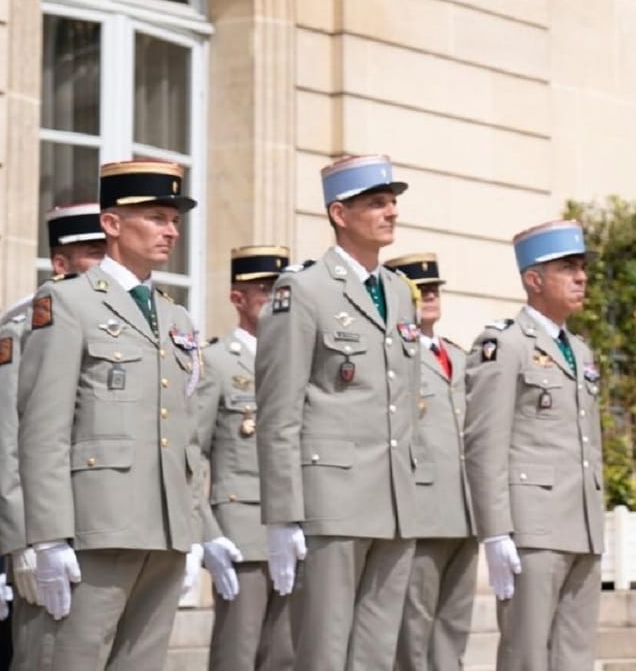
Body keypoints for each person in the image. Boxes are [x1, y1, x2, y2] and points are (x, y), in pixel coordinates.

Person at [16, 160, 205, 671]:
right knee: (72, 659)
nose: (170, 230)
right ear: (112, 224)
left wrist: (193, 529)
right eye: (157, 217)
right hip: (96, 526)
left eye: (174, 219)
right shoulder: (67, 302)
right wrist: (49, 536)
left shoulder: (176, 316)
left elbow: (186, 433)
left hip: (164, 528)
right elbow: (43, 430)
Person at [256, 155, 424, 669]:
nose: (391, 212)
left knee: (375, 654)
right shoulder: (303, 290)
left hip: (394, 499)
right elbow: (278, 411)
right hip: (332, 499)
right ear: (339, 213)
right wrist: (283, 515)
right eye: (376, 203)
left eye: (393, 201)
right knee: (324, 653)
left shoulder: (399, 293)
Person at [0, 202, 108, 669]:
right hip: (46, 536)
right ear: (60, 263)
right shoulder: (24, 329)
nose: (104, 264)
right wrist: (18, 544)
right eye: (93, 253)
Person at [464, 220, 606, 671]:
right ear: (534, 279)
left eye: (582, 267)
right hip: (533, 526)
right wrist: (496, 530)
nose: (581, 277)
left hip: (581, 523)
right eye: (568, 267)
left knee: (576, 657)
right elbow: (484, 440)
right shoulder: (503, 344)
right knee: (527, 655)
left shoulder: (579, 351)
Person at [193, 246, 294, 671]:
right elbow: (193, 450)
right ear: (237, 298)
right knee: (239, 649)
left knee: (287, 654)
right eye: (262, 291)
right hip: (242, 530)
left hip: (294, 527)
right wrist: (204, 530)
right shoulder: (216, 362)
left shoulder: (297, 360)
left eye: (279, 291)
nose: (273, 300)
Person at [390, 253, 479, 671]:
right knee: (413, 629)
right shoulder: (394, 355)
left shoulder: (460, 358)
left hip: (465, 509)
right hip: (421, 510)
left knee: (453, 626)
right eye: (419, 289)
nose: (429, 295)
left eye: (434, 288)